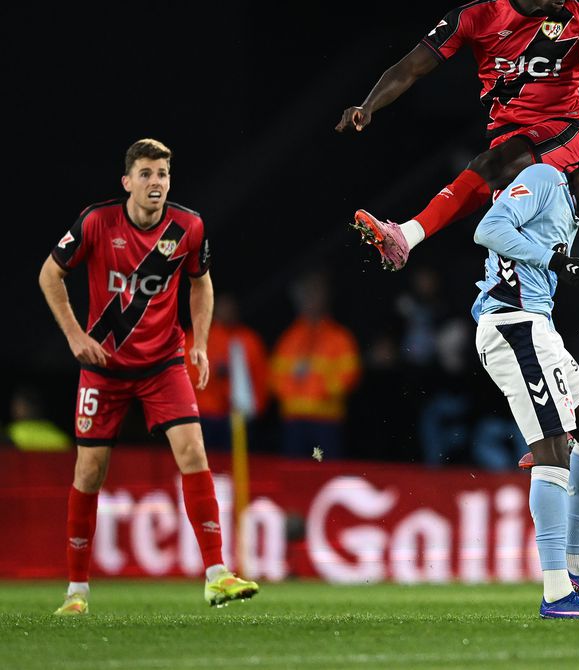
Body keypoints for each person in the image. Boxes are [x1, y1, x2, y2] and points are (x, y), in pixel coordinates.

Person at [38, 138, 258, 614]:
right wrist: (75, 335)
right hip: (104, 367)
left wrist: (199, 343)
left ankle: (217, 575)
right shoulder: (96, 222)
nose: (155, 182)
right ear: (127, 182)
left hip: (163, 364)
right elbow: (49, 275)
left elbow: (201, 283)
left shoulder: (189, 227)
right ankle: (76, 592)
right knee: (89, 471)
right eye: (146, 174)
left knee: (194, 452)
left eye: (162, 174)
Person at [340, 0, 579, 271]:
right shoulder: (479, 16)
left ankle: (405, 235)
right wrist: (368, 105)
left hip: (563, 130)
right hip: (508, 134)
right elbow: (411, 67)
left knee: (491, 166)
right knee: (508, 245)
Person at [472, 145, 579, 619]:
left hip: (537, 328)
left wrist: (557, 262)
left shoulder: (569, 209)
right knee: (553, 452)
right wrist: (558, 261)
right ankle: (556, 592)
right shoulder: (546, 179)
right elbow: (489, 229)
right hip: (513, 324)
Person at [269, 270, 361, 459]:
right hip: (294, 419)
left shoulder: (339, 338)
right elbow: (274, 377)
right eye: (306, 294)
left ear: (325, 297)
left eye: (315, 293)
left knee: (326, 471)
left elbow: (350, 375)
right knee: (294, 472)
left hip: (326, 419)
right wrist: (294, 394)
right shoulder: (289, 338)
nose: (310, 300)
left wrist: (321, 392)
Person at [186, 293, 269, 452]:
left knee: (237, 459)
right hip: (205, 413)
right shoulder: (199, 337)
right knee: (207, 458)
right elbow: (186, 373)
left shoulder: (249, 339)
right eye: (223, 307)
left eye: (230, 308)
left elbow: (261, 376)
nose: (227, 312)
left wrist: (257, 409)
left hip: (239, 416)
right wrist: (212, 372)